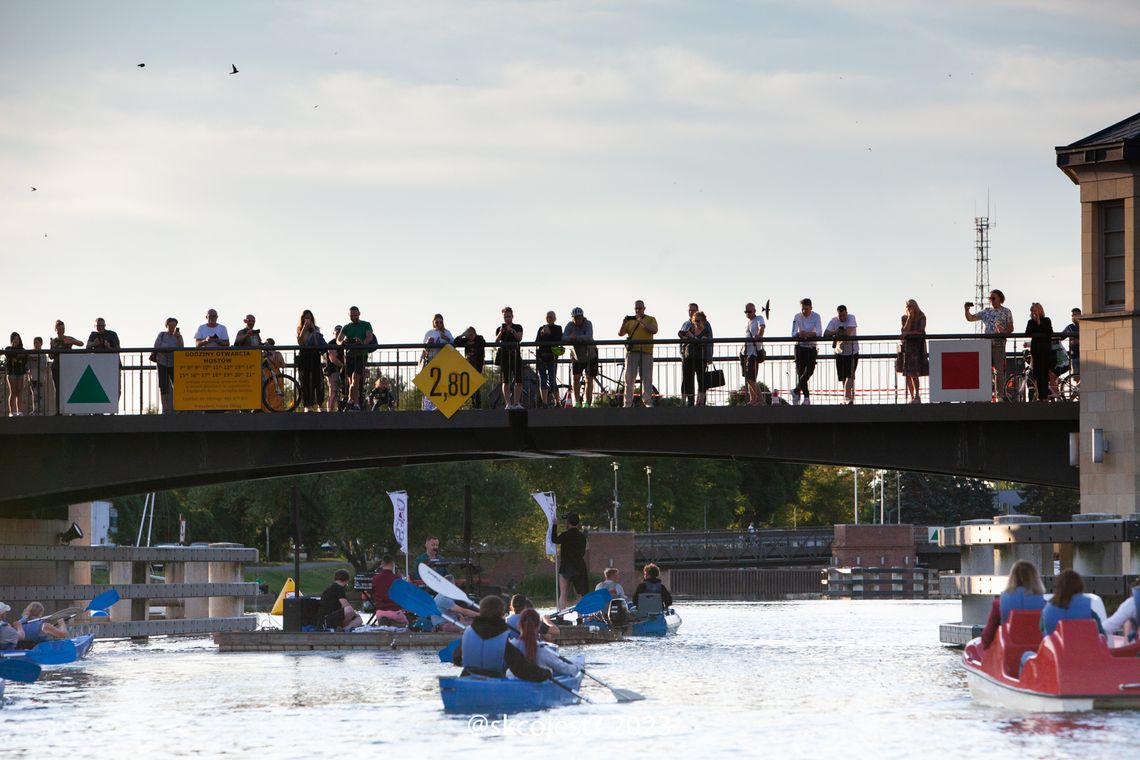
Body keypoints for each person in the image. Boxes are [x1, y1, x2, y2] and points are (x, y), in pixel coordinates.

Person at [451, 595, 551, 681]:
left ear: (481, 611)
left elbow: (457, 659)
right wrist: (545, 673)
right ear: (500, 613)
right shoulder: (502, 639)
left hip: (467, 677)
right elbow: (522, 669)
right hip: (494, 680)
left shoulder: (468, 632)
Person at [979, 560, 1046, 649]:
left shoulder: (999, 604)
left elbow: (988, 635)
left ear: (1012, 577)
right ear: (1035, 578)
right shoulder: (1044, 604)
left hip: (1008, 651)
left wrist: (985, 647)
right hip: (1036, 651)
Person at [964, 289, 1014, 398]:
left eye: (993, 298)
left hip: (999, 344)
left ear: (1000, 298)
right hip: (986, 345)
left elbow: (1011, 327)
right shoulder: (986, 311)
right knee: (985, 370)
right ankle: (986, 395)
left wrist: (1003, 333)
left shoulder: (1006, 311)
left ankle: (1000, 394)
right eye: (990, 298)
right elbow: (971, 318)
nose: (991, 300)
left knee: (999, 370)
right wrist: (966, 310)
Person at [510, 609, 579, 679]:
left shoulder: (510, 646)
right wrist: (578, 666)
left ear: (519, 625)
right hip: (537, 685)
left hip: (515, 685)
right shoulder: (542, 651)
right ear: (539, 626)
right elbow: (567, 670)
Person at [619, 300, 658, 408]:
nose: (637, 310)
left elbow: (654, 330)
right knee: (629, 379)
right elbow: (620, 333)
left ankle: (648, 402)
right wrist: (623, 322)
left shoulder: (650, 319)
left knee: (647, 378)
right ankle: (627, 403)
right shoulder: (630, 321)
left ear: (644, 308)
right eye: (636, 308)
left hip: (646, 352)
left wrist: (642, 322)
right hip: (632, 352)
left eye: (640, 308)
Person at [1041, 569, 1104, 636]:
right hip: (1083, 645)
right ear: (1080, 585)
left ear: (1057, 586)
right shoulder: (1089, 611)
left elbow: (1042, 631)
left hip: (1056, 646)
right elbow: (1103, 635)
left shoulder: (1047, 610)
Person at [337, 306, 373, 410]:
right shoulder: (347, 327)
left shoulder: (366, 324)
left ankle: (354, 402)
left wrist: (361, 343)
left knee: (355, 379)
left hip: (361, 355)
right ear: (349, 315)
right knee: (351, 380)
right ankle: (351, 401)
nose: (354, 317)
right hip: (349, 356)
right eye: (352, 315)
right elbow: (338, 340)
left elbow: (369, 337)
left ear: (359, 314)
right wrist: (342, 343)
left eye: (355, 315)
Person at [551, 513, 588, 610]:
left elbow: (554, 539)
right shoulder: (582, 537)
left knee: (563, 593)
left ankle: (561, 617)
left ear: (568, 523)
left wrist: (555, 526)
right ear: (578, 523)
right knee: (580, 594)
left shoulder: (566, 535)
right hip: (579, 567)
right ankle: (580, 618)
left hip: (566, 567)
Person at [679, 304, 713, 406]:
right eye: (689, 310)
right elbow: (681, 337)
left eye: (693, 310)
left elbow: (709, 341)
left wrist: (709, 356)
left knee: (701, 380)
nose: (691, 312)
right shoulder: (687, 325)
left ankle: (700, 402)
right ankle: (689, 402)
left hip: (701, 357)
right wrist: (682, 351)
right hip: (687, 356)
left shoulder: (706, 326)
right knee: (687, 379)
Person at [563, 307, 597, 408]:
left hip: (590, 355)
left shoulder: (588, 323)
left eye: (579, 318)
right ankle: (577, 402)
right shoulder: (570, 325)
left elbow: (589, 336)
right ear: (572, 318)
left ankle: (587, 402)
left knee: (589, 378)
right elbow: (563, 337)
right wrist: (570, 338)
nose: (577, 320)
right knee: (576, 378)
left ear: (582, 317)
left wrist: (575, 338)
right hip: (576, 356)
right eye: (575, 318)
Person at [824, 305, 859, 404]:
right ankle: (846, 398)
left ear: (846, 313)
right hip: (840, 352)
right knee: (843, 376)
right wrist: (836, 332)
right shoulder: (834, 321)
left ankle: (848, 397)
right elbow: (825, 333)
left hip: (852, 351)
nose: (842, 318)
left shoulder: (852, 318)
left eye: (844, 315)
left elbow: (848, 333)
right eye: (840, 316)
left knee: (850, 375)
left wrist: (838, 334)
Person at [896, 299, 929, 403]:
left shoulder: (921, 316)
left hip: (917, 348)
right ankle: (911, 397)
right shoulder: (904, 317)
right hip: (907, 348)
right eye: (907, 307)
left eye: (910, 306)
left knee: (915, 373)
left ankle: (917, 395)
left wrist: (908, 334)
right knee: (907, 374)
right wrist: (909, 318)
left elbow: (921, 331)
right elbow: (904, 331)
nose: (909, 308)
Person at [791, 298, 822, 405]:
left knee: (809, 370)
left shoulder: (816, 316)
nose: (804, 311)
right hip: (800, 347)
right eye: (802, 309)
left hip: (811, 347)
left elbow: (819, 332)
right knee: (800, 373)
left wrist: (808, 334)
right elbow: (793, 332)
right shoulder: (797, 316)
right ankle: (806, 397)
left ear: (811, 308)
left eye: (806, 309)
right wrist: (800, 334)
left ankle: (796, 390)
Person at [421, 314, 454, 411]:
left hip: (443, 360)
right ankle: (429, 406)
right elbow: (424, 348)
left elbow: (453, 343)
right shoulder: (429, 333)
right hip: (431, 359)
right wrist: (428, 342)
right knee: (432, 383)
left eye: (441, 322)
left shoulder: (447, 332)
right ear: (433, 323)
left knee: (442, 382)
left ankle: (442, 404)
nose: (439, 324)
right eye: (437, 322)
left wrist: (447, 339)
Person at [296, 309, 327, 412]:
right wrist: (305, 327)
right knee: (305, 381)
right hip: (304, 356)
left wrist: (313, 330)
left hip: (314, 356)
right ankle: (307, 405)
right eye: (305, 318)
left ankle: (319, 404)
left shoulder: (316, 329)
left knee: (318, 380)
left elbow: (317, 343)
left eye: (309, 318)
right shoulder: (300, 329)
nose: (307, 319)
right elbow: (301, 342)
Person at [49, 320, 84, 411]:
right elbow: (51, 356)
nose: (61, 331)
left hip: (68, 366)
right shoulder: (54, 341)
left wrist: (71, 341)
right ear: (55, 330)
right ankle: (58, 410)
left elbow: (81, 343)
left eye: (62, 329)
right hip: (56, 366)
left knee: (70, 387)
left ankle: (71, 409)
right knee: (58, 389)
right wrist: (53, 349)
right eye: (59, 329)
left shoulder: (68, 338)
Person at [495, 307, 524, 410]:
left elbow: (519, 338)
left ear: (512, 316)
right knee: (505, 381)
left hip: (515, 355)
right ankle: (508, 403)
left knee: (518, 380)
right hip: (504, 356)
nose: (507, 319)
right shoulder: (499, 328)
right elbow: (496, 342)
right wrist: (501, 332)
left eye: (509, 316)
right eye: (505, 317)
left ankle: (516, 403)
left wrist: (512, 331)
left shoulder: (518, 327)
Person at [1024, 303, 1055, 401]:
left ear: (1040, 311)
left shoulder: (1046, 320)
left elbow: (1049, 332)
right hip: (1036, 350)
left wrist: (1039, 322)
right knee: (1036, 372)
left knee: (1044, 373)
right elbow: (1027, 333)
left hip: (1045, 350)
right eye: (1032, 311)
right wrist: (1034, 322)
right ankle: (1038, 395)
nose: (1033, 313)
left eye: (1035, 311)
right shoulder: (1030, 322)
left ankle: (1044, 396)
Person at [153, 317, 183, 414]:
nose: (172, 327)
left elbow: (181, 348)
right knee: (163, 386)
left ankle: (178, 407)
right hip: (162, 362)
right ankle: (165, 408)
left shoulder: (178, 336)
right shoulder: (162, 335)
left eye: (174, 326)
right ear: (167, 325)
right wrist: (169, 348)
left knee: (177, 385)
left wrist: (178, 337)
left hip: (174, 363)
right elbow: (157, 345)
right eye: (170, 325)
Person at [368, 555, 409, 626]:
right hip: (394, 611)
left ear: (382, 565)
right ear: (392, 564)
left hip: (380, 612)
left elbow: (373, 594)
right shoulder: (397, 578)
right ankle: (393, 624)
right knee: (406, 623)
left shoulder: (375, 578)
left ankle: (387, 624)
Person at [453, 326, 487, 409]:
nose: (470, 336)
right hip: (468, 364)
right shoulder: (465, 340)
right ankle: (473, 403)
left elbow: (482, 342)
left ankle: (478, 405)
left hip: (477, 364)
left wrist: (473, 340)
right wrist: (462, 335)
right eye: (469, 334)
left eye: (472, 334)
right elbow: (455, 342)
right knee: (469, 383)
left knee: (475, 383)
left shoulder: (479, 338)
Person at [534, 311, 563, 408]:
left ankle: (557, 402)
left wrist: (549, 333)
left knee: (552, 380)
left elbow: (558, 340)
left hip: (552, 357)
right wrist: (542, 334)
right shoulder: (541, 328)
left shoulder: (558, 328)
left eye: (551, 317)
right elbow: (537, 342)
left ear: (555, 318)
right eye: (547, 317)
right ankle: (545, 403)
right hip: (541, 357)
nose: (549, 319)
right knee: (542, 380)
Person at [742, 302, 766, 405]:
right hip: (745, 352)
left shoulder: (759, 318)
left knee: (750, 378)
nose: (748, 313)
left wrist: (759, 335)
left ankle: (760, 399)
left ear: (754, 311)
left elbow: (762, 327)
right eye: (746, 312)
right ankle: (752, 399)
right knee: (749, 378)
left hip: (753, 353)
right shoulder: (748, 322)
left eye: (749, 311)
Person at [1103, 578, 1140, 644]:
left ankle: (1127, 643)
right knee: (1128, 620)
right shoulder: (1132, 603)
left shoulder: (1132, 603)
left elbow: (1107, 627)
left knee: (1128, 620)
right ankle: (1127, 642)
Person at [6, 332, 28, 416]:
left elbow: (26, 357)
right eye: (14, 339)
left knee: (20, 392)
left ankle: (20, 411)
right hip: (11, 373)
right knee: (13, 392)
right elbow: (9, 354)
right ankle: (11, 412)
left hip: (21, 373)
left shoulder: (23, 349)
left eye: (17, 339)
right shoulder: (8, 348)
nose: (16, 340)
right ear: (11, 340)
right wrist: (18, 355)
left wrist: (21, 355)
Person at [325, 325, 345, 412]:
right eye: (337, 332)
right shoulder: (332, 343)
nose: (339, 334)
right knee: (333, 391)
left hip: (340, 370)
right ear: (334, 333)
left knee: (339, 391)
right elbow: (333, 358)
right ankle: (330, 411)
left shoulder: (344, 343)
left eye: (340, 332)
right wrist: (343, 366)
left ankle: (339, 409)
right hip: (333, 370)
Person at [28, 337, 48, 416]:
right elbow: (27, 366)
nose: (36, 345)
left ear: (41, 344)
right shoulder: (31, 354)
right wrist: (30, 359)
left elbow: (43, 366)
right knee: (34, 394)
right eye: (35, 343)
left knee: (40, 395)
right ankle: (35, 410)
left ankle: (40, 410)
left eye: (37, 343)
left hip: (40, 378)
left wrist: (36, 360)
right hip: (32, 377)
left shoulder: (43, 354)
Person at [1063, 307, 1080, 375]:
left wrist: (1080, 341)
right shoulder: (1069, 327)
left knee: (1086, 376)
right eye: (1073, 315)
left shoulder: (1086, 325)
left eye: (1076, 315)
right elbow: (1061, 337)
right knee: (1076, 376)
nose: (1074, 317)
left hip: (1086, 355)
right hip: (1074, 356)